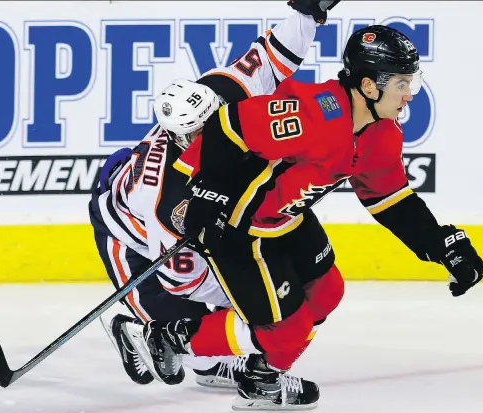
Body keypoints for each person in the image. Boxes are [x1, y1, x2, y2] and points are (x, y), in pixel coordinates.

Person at [140, 24, 483, 411]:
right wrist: (208, 194)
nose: (409, 94)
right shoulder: (313, 114)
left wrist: (437, 243)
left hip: (287, 219)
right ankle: (181, 340)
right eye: (402, 84)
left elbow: (389, 198)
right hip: (239, 229)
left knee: (327, 291)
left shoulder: (381, 133)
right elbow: (226, 126)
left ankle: (257, 371)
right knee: (288, 331)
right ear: (370, 87)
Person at [89, 0, 342, 391]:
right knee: (197, 337)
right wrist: (248, 293)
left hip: (159, 207)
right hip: (129, 236)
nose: (208, 135)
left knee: (251, 298)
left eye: (211, 120)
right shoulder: (163, 199)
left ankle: (210, 358)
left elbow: (269, 56)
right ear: (177, 136)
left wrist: (308, 12)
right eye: (195, 134)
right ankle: (132, 328)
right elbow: (182, 278)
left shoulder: (222, 91)